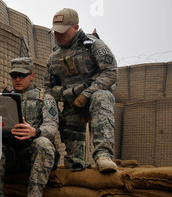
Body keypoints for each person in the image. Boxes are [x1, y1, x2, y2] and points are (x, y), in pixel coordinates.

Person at [0, 57, 59, 197]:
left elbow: (52, 128)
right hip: (11, 153)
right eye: (14, 75)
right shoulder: (2, 98)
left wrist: (35, 131)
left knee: (44, 144)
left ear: (32, 75)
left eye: (21, 75)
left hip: (32, 153)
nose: (17, 79)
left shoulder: (45, 98)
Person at [45, 8, 118, 173]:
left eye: (62, 32)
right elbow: (48, 86)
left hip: (94, 96)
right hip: (72, 104)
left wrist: (87, 94)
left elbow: (111, 72)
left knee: (102, 97)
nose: (58, 36)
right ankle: (76, 162)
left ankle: (103, 155)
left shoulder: (93, 45)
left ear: (76, 28)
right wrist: (53, 109)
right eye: (56, 32)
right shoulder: (53, 57)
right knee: (73, 159)